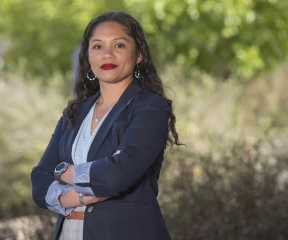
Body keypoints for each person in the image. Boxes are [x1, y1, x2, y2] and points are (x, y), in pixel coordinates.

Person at [31, 11, 181, 240]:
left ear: (139, 54)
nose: (107, 54)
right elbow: (40, 180)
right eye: (98, 46)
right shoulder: (75, 111)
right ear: (88, 55)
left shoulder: (150, 108)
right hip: (68, 233)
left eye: (119, 45)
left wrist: (63, 171)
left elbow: (116, 176)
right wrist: (80, 196)